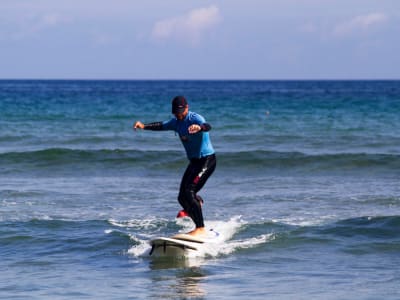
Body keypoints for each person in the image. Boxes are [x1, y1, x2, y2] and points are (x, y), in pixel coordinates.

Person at [133, 96, 216, 237]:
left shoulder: (195, 118)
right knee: (181, 197)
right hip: (194, 162)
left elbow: (208, 126)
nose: (179, 115)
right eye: (176, 113)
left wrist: (200, 127)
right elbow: (161, 126)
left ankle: (200, 228)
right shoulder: (176, 123)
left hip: (206, 160)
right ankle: (197, 211)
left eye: (181, 112)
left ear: (187, 108)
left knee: (189, 192)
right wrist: (144, 126)